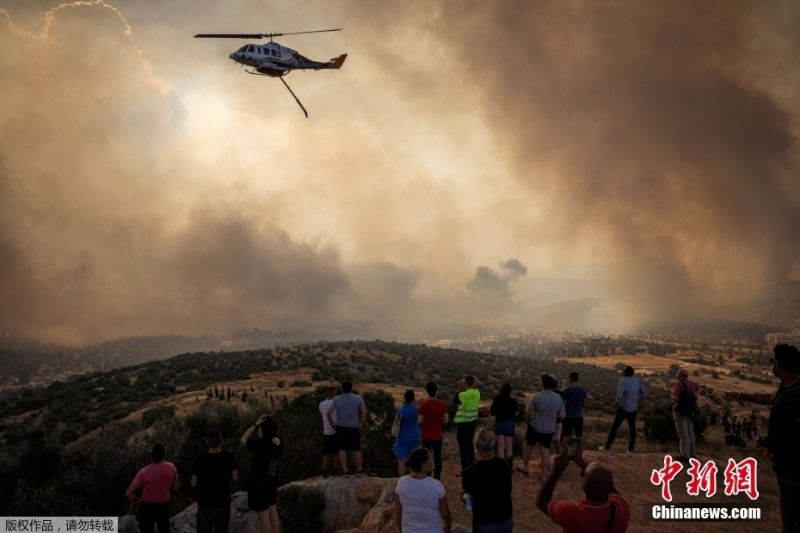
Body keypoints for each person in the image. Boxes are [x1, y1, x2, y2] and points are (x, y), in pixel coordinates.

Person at [724, 343, 800, 533]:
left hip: (793, 465)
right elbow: (768, 397)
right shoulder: (789, 388)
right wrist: (739, 394)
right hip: (784, 463)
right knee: (787, 508)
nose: (772, 366)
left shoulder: (795, 396)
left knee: (793, 512)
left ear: (780, 365)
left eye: (774, 362)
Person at [536, 448, 631, 533]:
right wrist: (583, 465)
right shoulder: (622, 509)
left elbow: (541, 501)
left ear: (584, 486)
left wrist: (557, 470)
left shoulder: (573, 514)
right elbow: (609, 486)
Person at [462, 428, 513, 532]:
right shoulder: (504, 465)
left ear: (476, 446)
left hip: (484, 520)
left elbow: (467, 495)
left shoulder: (470, 472)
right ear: (493, 445)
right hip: (505, 518)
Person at [241, 414, 284, 533]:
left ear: (263, 430)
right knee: (272, 511)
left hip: (258, 485)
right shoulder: (279, 443)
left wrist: (256, 424)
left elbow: (243, 439)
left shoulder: (260, 445)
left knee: (263, 517)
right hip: (272, 481)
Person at [394, 447, 452, 532]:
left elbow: (398, 511)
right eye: (430, 459)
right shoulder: (436, 485)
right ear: (423, 465)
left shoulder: (401, 482)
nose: (432, 462)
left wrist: (400, 529)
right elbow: (445, 513)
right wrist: (448, 527)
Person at [191, 429, 239, 533]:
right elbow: (236, 478)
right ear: (221, 441)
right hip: (223, 502)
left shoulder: (200, 459)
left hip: (205, 504)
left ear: (207, 442)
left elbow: (193, 483)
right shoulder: (229, 457)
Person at [125, 443, 180, 533]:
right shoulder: (171, 467)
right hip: (163, 507)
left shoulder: (143, 472)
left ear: (151, 455)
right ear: (163, 455)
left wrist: (137, 500)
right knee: (164, 529)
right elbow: (176, 487)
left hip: (147, 507)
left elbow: (128, 493)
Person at [520, 374, 565, 481]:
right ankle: (544, 475)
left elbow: (528, 413)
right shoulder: (558, 398)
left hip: (535, 426)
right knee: (545, 451)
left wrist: (530, 420)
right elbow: (562, 415)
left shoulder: (535, 396)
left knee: (528, 446)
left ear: (542, 384)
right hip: (549, 429)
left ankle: (525, 467)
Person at [599, 366, 645, 455]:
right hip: (633, 409)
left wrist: (616, 404)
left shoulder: (623, 381)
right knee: (632, 429)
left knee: (615, 428)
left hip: (623, 408)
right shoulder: (636, 380)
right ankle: (630, 450)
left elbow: (619, 396)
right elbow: (644, 393)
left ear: (625, 373)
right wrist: (637, 400)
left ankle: (606, 448)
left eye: (623, 371)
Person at [328, 380, 368, 477]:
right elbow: (365, 412)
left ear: (342, 388)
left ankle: (345, 471)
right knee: (356, 449)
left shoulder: (336, 399)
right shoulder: (358, 398)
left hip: (341, 428)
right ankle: (359, 471)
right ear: (351, 388)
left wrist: (332, 424)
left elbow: (329, 413)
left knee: (342, 450)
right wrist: (361, 424)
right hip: (354, 428)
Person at [418, 381, 448, 480]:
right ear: (436, 391)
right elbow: (446, 420)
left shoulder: (423, 405)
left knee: (427, 457)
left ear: (427, 392)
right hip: (437, 435)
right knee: (437, 456)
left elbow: (419, 421)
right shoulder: (442, 404)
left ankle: (428, 477)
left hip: (426, 436)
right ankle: (437, 477)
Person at [453, 374, 480, 474]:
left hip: (464, 422)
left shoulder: (462, 394)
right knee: (469, 443)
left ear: (465, 383)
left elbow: (455, 400)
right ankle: (472, 465)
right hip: (473, 421)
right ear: (473, 383)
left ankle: (465, 470)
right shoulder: (477, 393)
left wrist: (460, 388)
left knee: (463, 446)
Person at [671, 368, 699, 462]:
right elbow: (697, 391)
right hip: (690, 410)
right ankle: (692, 453)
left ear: (679, 376)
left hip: (680, 411)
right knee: (690, 432)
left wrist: (673, 398)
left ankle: (685, 455)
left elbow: (676, 398)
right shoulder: (693, 384)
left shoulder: (679, 385)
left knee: (683, 433)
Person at [490, 382, 519, 466]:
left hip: (499, 424)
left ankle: (501, 467)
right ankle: (509, 467)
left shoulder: (496, 399)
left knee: (500, 446)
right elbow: (517, 413)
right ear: (510, 391)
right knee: (509, 447)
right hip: (509, 424)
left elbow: (491, 413)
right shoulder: (513, 401)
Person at [394, 389, 421, 476]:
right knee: (413, 457)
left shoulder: (401, 409)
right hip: (415, 435)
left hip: (403, 435)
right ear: (413, 398)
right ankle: (413, 476)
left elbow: (397, 422)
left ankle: (401, 479)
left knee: (401, 458)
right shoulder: (417, 409)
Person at [561, 372, 588, 447]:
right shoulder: (583, 390)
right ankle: (579, 455)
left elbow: (563, 403)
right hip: (579, 416)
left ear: (570, 379)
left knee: (566, 436)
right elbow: (583, 404)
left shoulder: (567, 390)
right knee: (579, 436)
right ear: (577, 379)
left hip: (568, 416)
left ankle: (563, 455)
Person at [319, 386, 338, 477]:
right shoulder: (337, 403)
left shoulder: (321, 404)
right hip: (336, 430)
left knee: (325, 452)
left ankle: (324, 470)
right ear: (334, 393)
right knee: (336, 452)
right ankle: (334, 470)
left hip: (326, 431)